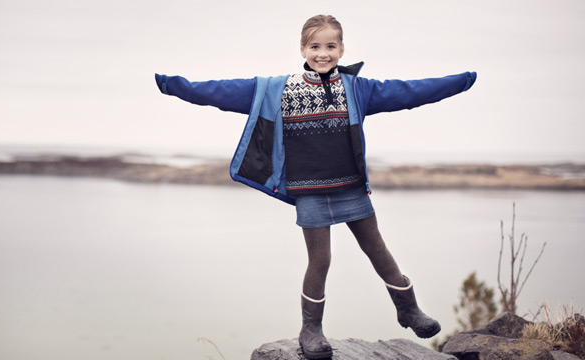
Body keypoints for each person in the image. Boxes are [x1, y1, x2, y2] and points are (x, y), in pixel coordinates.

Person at [154, 14, 476, 360]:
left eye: (330, 46)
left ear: (341, 48)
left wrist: (457, 82)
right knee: (320, 260)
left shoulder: (356, 88)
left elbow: (410, 92)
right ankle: (311, 330)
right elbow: (219, 91)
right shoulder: (278, 88)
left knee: (378, 250)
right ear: (303, 48)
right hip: (308, 191)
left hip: (351, 187)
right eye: (315, 46)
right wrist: (177, 85)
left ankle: (409, 310)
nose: (323, 53)